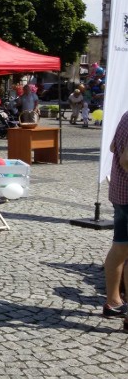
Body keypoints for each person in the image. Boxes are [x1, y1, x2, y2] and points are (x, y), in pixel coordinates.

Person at [102, 110, 128, 326]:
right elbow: (127, 159)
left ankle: (114, 301)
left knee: (121, 248)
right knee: (122, 249)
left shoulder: (126, 115)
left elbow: (113, 147)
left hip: (120, 192)